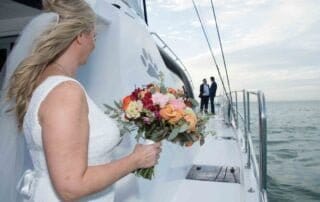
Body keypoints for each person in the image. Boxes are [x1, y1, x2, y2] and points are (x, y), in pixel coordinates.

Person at [4, 0, 161, 201]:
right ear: (80, 36)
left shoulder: (44, 81)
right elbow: (71, 186)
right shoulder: (66, 91)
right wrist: (136, 160)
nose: (94, 45)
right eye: (93, 36)